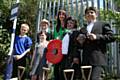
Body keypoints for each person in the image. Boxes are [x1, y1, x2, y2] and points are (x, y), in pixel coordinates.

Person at [77, 7, 115, 80]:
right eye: (87, 13)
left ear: (96, 14)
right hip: (85, 61)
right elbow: (80, 46)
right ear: (85, 16)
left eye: (92, 12)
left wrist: (96, 37)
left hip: (97, 59)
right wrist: (80, 42)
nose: (89, 14)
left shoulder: (103, 24)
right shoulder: (82, 29)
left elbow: (112, 37)